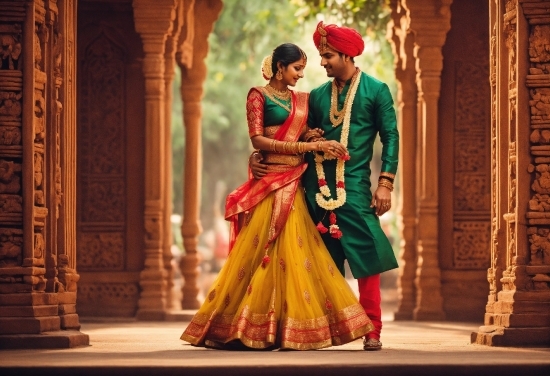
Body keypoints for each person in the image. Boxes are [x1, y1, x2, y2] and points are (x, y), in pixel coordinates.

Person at [180, 43, 374, 351]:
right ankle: (247, 328)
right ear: (279, 67)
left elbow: (308, 130)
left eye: (302, 69)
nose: (300, 74)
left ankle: (285, 330)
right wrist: (305, 148)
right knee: (261, 253)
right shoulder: (258, 95)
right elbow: (258, 138)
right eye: (296, 68)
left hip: (294, 184)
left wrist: (316, 139)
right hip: (270, 184)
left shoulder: (302, 100)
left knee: (295, 256)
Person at [250, 23, 399, 351]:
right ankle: (319, 330)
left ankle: (372, 328)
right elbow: (287, 132)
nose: (322, 63)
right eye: (320, 56)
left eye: (328, 56)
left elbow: (390, 138)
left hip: (355, 188)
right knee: (314, 261)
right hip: (312, 189)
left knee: (367, 256)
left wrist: (385, 184)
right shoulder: (314, 97)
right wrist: (257, 156)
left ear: (347, 55)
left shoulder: (376, 90)